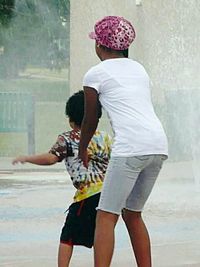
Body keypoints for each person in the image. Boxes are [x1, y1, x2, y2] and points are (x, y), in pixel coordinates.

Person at [79, 16, 168, 267]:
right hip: (158, 146)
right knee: (133, 213)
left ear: (100, 45)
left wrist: (83, 147)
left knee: (106, 216)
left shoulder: (94, 74)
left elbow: (90, 118)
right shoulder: (138, 68)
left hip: (130, 148)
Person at [12, 90, 112, 267]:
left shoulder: (68, 138)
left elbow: (51, 158)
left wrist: (27, 158)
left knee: (67, 237)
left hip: (87, 196)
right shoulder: (105, 137)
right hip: (108, 196)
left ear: (71, 119)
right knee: (100, 234)